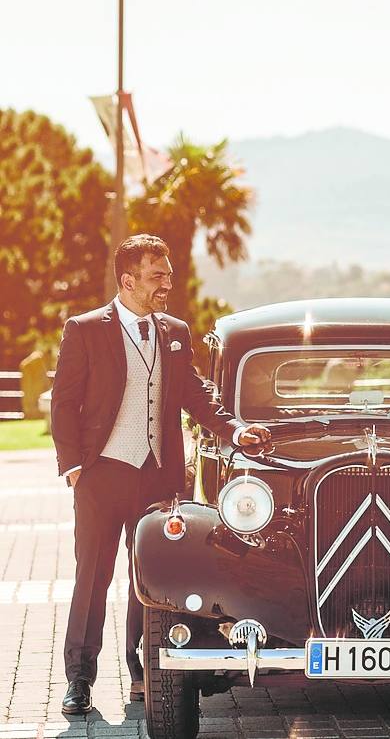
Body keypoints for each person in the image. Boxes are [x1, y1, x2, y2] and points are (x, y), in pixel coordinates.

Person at [51, 234, 272, 716]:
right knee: (93, 575)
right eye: (157, 276)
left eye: (168, 275)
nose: (167, 284)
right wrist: (73, 469)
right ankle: (80, 678)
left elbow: (196, 394)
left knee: (150, 576)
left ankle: (141, 669)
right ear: (128, 280)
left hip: (158, 475)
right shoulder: (85, 329)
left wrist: (234, 431)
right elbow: (64, 403)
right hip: (100, 475)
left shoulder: (174, 331)